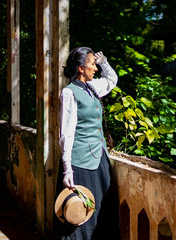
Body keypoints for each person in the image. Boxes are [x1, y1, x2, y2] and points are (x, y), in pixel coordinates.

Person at [54, 46, 119, 239]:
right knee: (80, 214)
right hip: (79, 163)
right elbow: (66, 134)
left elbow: (111, 81)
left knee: (103, 212)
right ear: (81, 68)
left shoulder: (92, 87)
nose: (95, 68)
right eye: (92, 64)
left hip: (100, 160)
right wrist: (67, 170)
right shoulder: (69, 93)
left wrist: (103, 62)